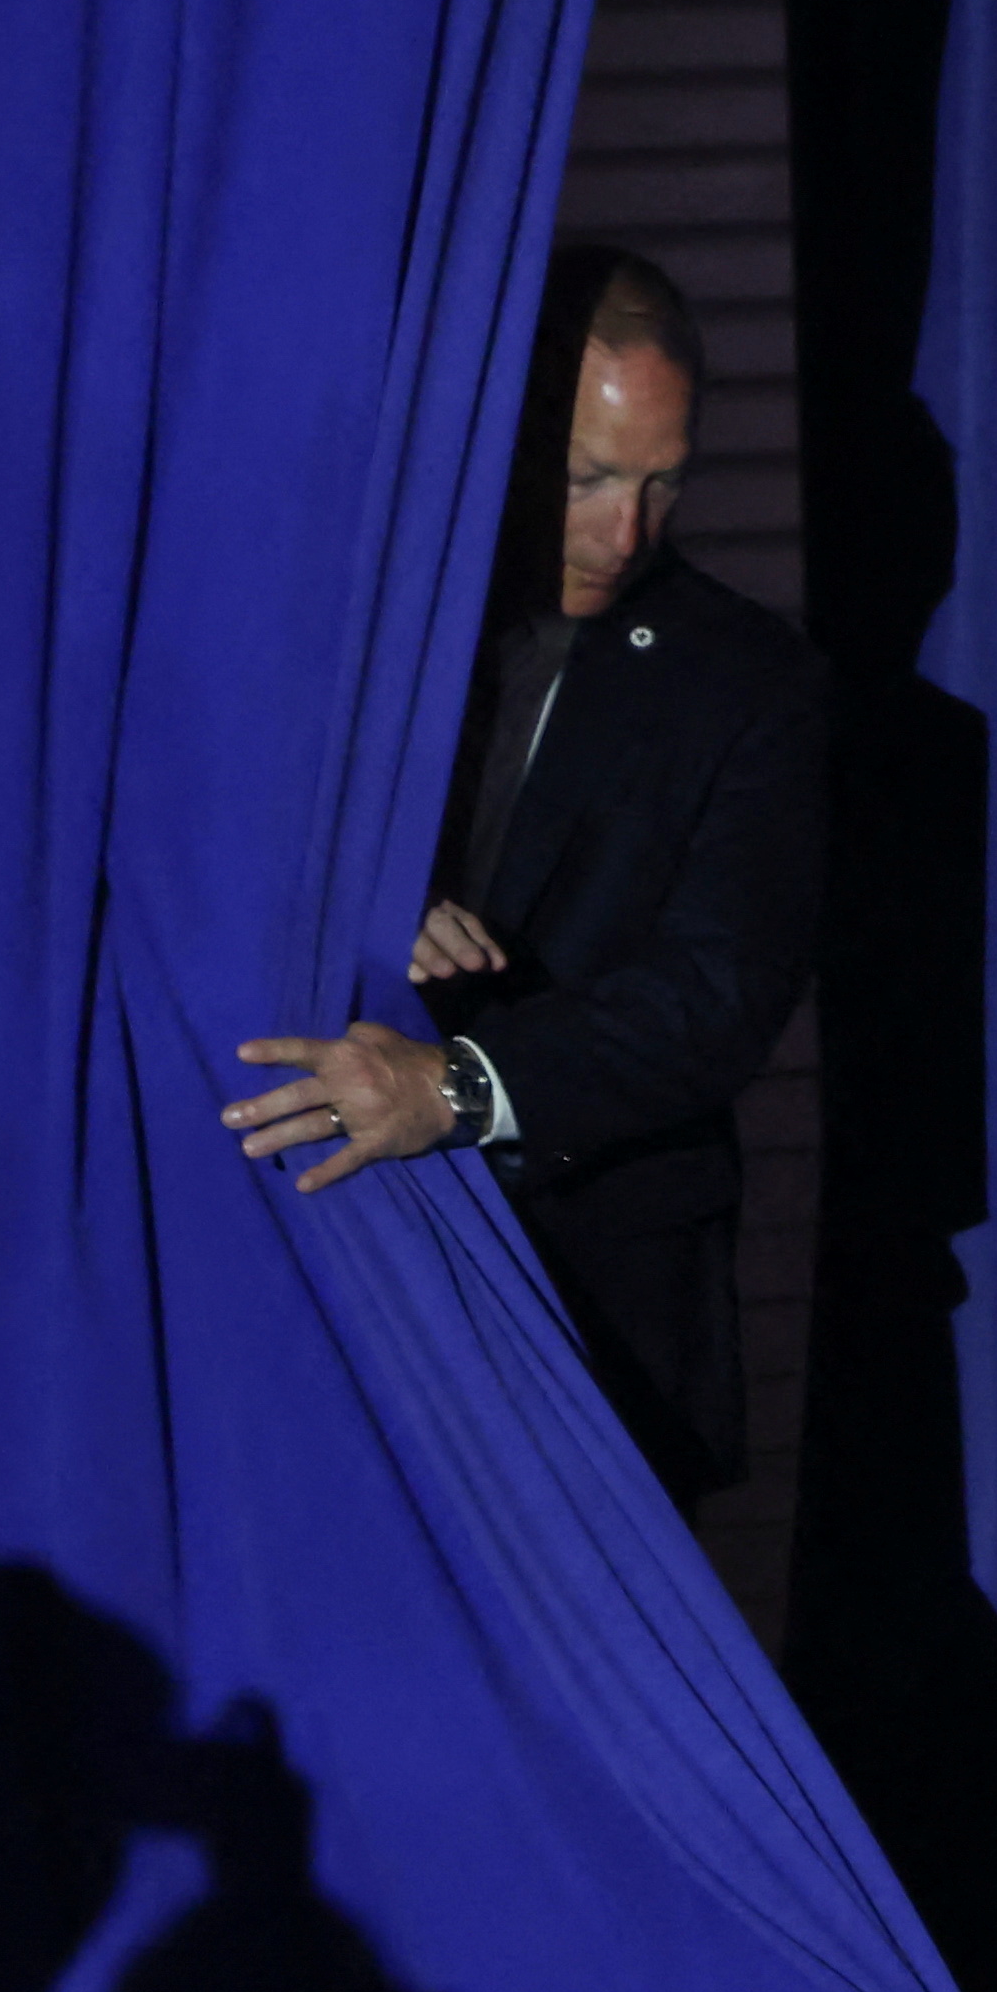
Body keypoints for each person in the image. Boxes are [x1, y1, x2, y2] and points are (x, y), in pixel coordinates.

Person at [224, 250, 826, 1508]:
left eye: (664, 481)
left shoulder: (749, 680)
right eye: (588, 479)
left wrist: (457, 1087)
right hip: (324, 1268)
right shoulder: (355, 622)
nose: (626, 532)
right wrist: (353, 910)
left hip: (595, 1299)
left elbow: (718, 995)